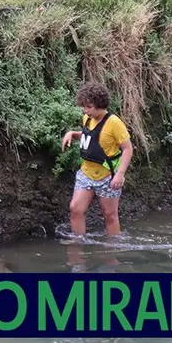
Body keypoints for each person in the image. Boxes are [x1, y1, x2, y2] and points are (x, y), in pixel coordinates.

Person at [60, 82, 134, 239]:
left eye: (89, 107)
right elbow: (91, 136)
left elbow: (128, 149)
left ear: (100, 105)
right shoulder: (88, 117)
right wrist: (73, 133)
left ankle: (113, 253)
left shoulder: (114, 123)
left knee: (110, 215)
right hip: (86, 174)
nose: (85, 110)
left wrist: (120, 174)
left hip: (107, 177)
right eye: (84, 107)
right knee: (75, 209)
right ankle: (78, 246)